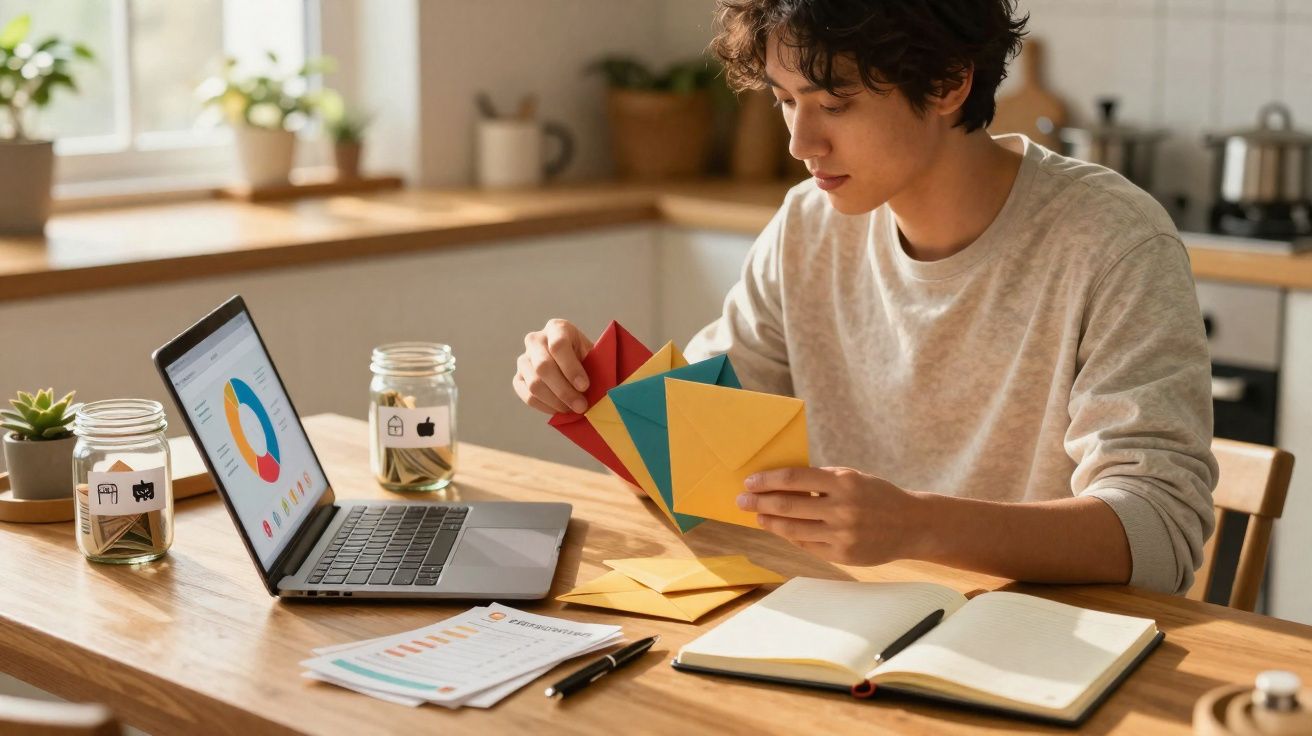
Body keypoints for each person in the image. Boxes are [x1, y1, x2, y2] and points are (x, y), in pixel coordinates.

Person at [512, 0, 1216, 595]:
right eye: (785, 100)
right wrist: (589, 389)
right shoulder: (807, 225)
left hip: (1040, 650)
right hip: (840, 630)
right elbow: (697, 458)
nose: (799, 141)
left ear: (946, 83)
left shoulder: (1113, 242)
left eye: (834, 103)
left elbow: (1159, 535)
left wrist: (917, 524)